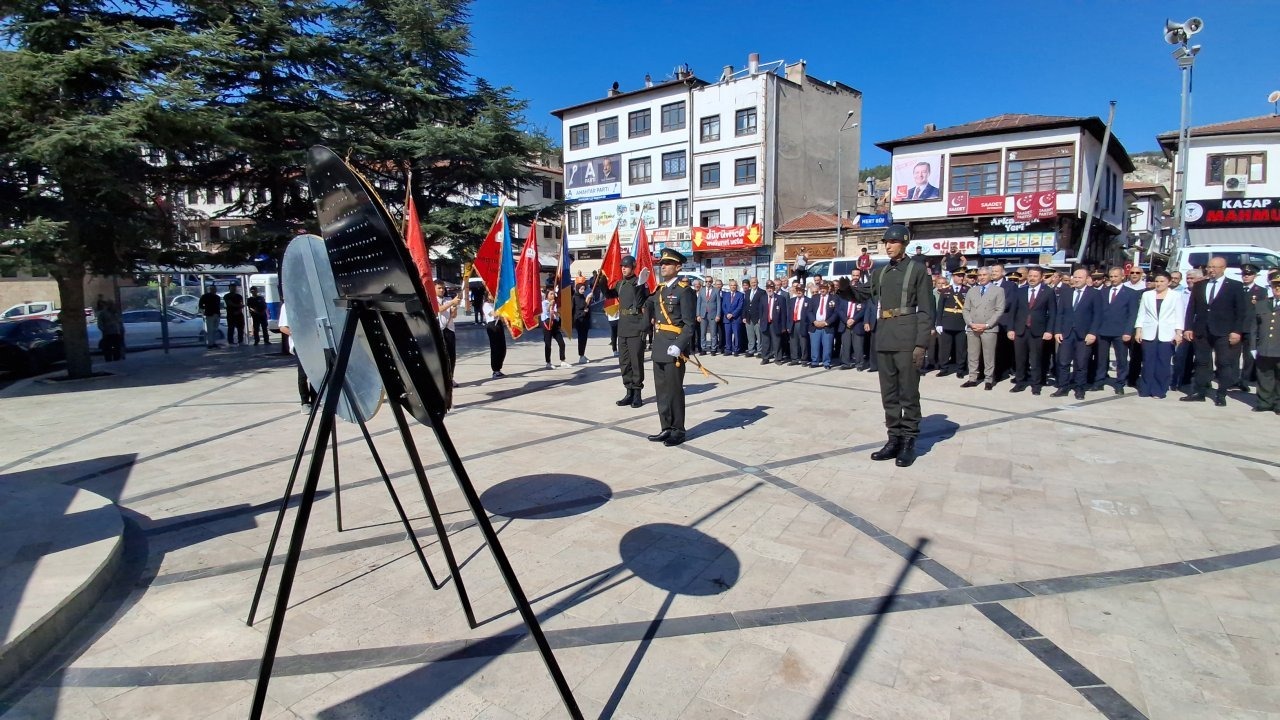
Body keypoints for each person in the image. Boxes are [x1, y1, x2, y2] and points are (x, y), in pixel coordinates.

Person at [847, 224, 935, 467]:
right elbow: (864, 294)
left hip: (907, 337)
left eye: (893, 242)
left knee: (908, 392)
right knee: (889, 394)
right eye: (886, 242)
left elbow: (927, 309)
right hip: (884, 335)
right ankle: (893, 438)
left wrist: (921, 344)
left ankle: (909, 441)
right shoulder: (880, 272)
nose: (888, 246)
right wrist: (846, 290)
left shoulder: (917, 270)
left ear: (904, 243)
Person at [1182, 256, 1247, 406]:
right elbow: (1191, 308)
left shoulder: (1234, 286)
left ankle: (1221, 394)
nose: (1211, 270)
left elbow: (1241, 311)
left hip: (1224, 330)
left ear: (1223, 268)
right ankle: (1200, 391)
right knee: (1201, 362)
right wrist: (1188, 327)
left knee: (1223, 363)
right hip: (1202, 330)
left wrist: (1237, 331)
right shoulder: (1200, 285)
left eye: (1215, 267)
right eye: (1209, 267)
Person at [647, 248, 696, 447]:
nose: (663, 266)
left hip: (674, 348)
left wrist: (679, 345)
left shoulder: (685, 291)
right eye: (662, 263)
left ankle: (678, 430)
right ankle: (666, 427)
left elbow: (689, 324)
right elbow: (644, 303)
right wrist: (639, 285)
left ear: (678, 267)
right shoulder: (659, 290)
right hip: (659, 347)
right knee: (662, 391)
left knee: (675, 391)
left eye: (667, 263)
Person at [1053, 269, 1102, 400]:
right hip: (1067, 333)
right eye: (1075, 277)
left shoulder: (1094, 294)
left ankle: (1080, 388)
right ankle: (1063, 387)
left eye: (1080, 277)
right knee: (1063, 362)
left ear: (1087, 279)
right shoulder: (1066, 292)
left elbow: (1097, 315)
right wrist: (1057, 331)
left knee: (1081, 363)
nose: (1076, 279)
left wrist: (1092, 333)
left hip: (1084, 334)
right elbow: (1060, 313)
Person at [1135, 270, 1184, 399]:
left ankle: (1159, 390)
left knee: (1163, 363)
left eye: (1162, 281)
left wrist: (1179, 333)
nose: (1159, 284)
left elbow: (1179, 315)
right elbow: (1142, 313)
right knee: (1148, 362)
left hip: (1167, 333)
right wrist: (1138, 330)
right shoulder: (1147, 295)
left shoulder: (1175, 296)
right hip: (1149, 331)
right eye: (1157, 281)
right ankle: (1146, 389)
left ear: (1168, 282)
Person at [1007, 266, 1056, 394]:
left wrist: (1049, 331)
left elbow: (1052, 313)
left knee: (1035, 360)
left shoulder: (1048, 292)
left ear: (1041, 278)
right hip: (1020, 330)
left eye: (1035, 276)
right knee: (1020, 359)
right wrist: (1010, 329)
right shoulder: (1020, 291)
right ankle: (1020, 382)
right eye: (1030, 276)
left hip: (1038, 331)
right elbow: (1013, 312)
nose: (1032, 278)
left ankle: (1036, 384)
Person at [1093, 267, 1141, 395]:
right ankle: (1099, 381)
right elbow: (1097, 312)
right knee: (1101, 358)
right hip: (1103, 330)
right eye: (1111, 276)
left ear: (1122, 277)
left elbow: (1132, 314)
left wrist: (1127, 331)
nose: (1113, 279)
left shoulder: (1130, 293)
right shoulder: (1102, 292)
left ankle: (1120, 383)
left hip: (1120, 332)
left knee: (1121, 359)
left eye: (1116, 276)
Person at [614, 255, 649, 408]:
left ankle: (637, 394)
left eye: (626, 266)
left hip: (635, 327)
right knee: (624, 362)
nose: (623, 268)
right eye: (622, 266)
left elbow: (643, 302)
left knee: (636, 362)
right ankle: (628, 391)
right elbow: (610, 294)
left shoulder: (639, 283)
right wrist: (601, 282)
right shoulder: (620, 284)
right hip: (622, 327)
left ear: (632, 267)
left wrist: (645, 327)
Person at [961, 267, 1004, 390]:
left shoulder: (998, 290)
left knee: (988, 355)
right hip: (973, 327)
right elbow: (966, 309)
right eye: (979, 275)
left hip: (989, 328)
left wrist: (987, 325)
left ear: (990, 276)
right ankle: (972, 378)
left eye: (984, 275)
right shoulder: (972, 290)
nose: (982, 277)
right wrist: (970, 323)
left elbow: (999, 310)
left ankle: (988, 380)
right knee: (972, 354)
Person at [277, 302, 316, 411]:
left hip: (313, 343)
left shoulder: (309, 302)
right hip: (299, 344)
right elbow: (282, 327)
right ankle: (305, 402)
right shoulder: (287, 305)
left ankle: (315, 399)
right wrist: (297, 334)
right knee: (303, 372)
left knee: (315, 371)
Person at [1252, 269, 1280, 414]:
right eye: (1275, 285)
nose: (1277, 289)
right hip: (1265, 348)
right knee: (1264, 376)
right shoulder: (1262, 304)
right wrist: (1252, 346)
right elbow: (1254, 327)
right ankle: (1264, 402)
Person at [1237, 264, 1266, 392]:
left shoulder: (1261, 291)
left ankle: (1244, 380)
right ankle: (1232, 379)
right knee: (1232, 355)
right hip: (1236, 327)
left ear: (1254, 276)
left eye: (1249, 274)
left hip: (1250, 328)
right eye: (1244, 274)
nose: (1246, 276)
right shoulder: (1236, 288)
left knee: (1248, 357)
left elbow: (1261, 311)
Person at [434, 280, 462, 386]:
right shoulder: (432, 299)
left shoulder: (448, 299)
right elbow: (439, 309)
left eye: (443, 288)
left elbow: (453, 316)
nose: (442, 290)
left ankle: (450, 377)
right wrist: (452, 303)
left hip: (449, 329)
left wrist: (454, 308)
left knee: (451, 356)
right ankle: (442, 379)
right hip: (439, 330)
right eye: (439, 288)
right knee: (442, 356)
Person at [806, 281, 838, 369]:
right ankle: (815, 362)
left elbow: (836, 313)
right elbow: (809, 311)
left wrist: (826, 322)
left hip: (827, 326)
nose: (822, 290)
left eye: (824, 288)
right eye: (821, 288)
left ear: (828, 289)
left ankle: (826, 362)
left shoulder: (834, 298)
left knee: (827, 346)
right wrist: (814, 321)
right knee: (814, 346)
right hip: (815, 325)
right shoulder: (814, 297)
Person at [540, 288, 568, 369]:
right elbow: (546, 311)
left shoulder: (555, 303)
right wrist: (550, 305)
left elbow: (557, 314)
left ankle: (563, 360)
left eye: (553, 294)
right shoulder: (544, 303)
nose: (552, 296)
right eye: (551, 294)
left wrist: (555, 311)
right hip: (547, 324)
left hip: (554, 324)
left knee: (562, 343)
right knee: (548, 344)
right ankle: (548, 362)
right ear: (547, 295)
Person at [481, 290, 507, 379]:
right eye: (490, 294)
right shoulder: (486, 305)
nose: (492, 296)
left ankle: (499, 368)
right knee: (495, 348)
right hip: (492, 326)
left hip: (499, 324)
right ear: (487, 296)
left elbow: (502, 318)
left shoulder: (496, 304)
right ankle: (495, 370)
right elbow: (494, 314)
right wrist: (502, 308)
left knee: (503, 348)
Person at [697, 278, 721, 355]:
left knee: (713, 333)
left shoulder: (716, 290)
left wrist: (718, 315)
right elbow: (699, 303)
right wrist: (698, 315)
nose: (708, 283)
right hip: (703, 314)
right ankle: (703, 349)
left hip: (713, 315)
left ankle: (713, 349)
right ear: (705, 282)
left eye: (710, 281)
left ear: (712, 282)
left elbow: (718, 303)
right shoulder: (701, 290)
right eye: (706, 281)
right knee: (703, 333)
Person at [721, 279, 744, 355]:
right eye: (731, 285)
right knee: (727, 334)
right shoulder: (726, 295)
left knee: (736, 334)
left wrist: (733, 314)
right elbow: (723, 306)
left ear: (736, 286)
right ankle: (728, 349)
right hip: (727, 318)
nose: (733, 287)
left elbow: (740, 306)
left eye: (734, 285)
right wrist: (727, 314)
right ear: (729, 286)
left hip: (736, 318)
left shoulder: (740, 295)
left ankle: (736, 349)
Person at [572, 282, 592, 363]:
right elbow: (581, 306)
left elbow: (585, 307)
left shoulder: (582, 296)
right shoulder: (575, 297)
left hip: (585, 320)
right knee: (581, 338)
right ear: (577, 289)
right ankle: (581, 355)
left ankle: (582, 354)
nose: (583, 290)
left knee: (584, 338)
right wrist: (587, 299)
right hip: (579, 320)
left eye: (584, 289)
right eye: (581, 289)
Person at [743, 278, 764, 357]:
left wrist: (761, 318)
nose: (753, 284)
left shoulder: (762, 292)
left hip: (757, 318)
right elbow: (745, 305)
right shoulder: (747, 292)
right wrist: (744, 316)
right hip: (748, 317)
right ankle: (751, 350)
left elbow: (763, 306)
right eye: (752, 283)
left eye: (755, 282)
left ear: (757, 283)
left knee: (759, 336)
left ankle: (760, 351)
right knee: (750, 335)